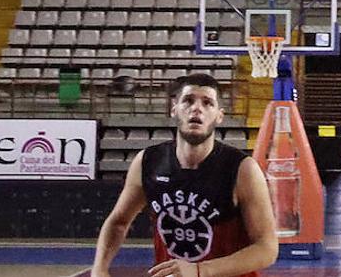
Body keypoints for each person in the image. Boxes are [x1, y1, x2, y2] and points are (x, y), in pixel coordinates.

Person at [91, 73, 278, 277]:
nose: (197, 108)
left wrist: (199, 270)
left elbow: (267, 248)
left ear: (219, 116)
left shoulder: (242, 169)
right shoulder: (148, 162)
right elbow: (118, 222)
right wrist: (99, 269)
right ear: (174, 109)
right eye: (188, 101)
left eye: (207, 103)